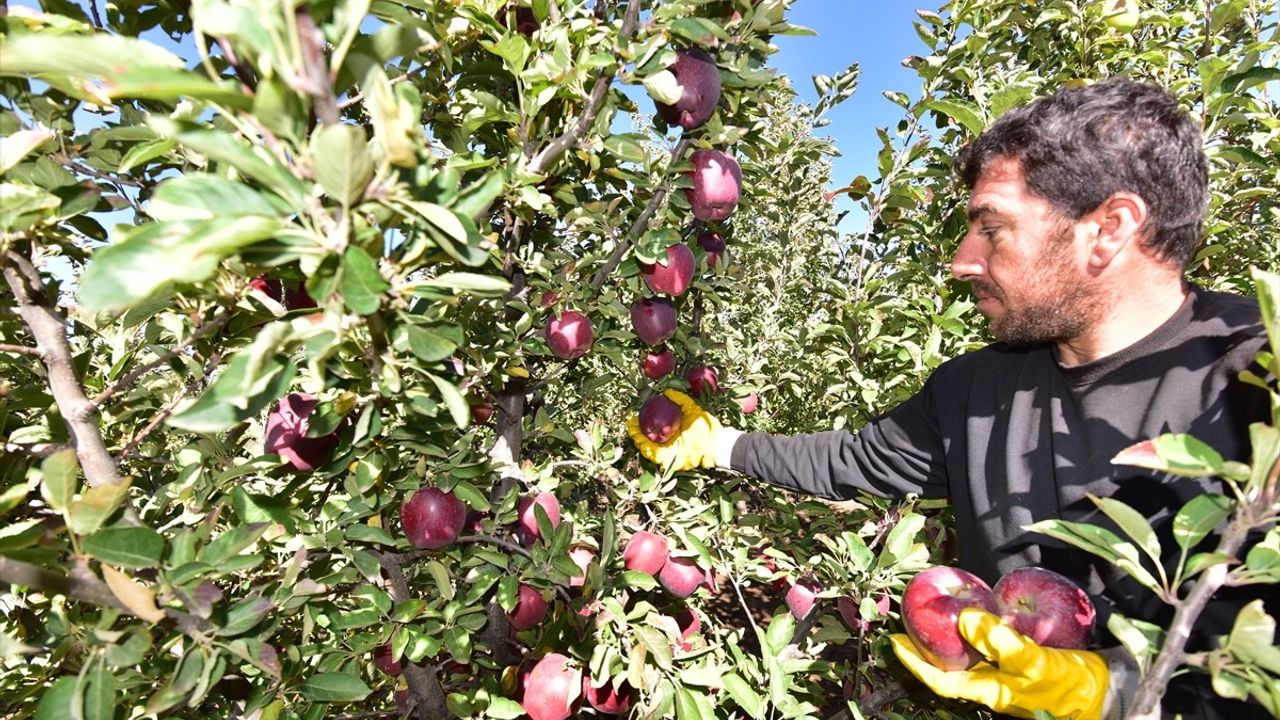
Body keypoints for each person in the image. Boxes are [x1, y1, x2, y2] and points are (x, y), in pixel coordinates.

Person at [627, 77, 1274, 719]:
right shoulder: (976, 390)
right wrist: (719, 444)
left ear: (1109, 229)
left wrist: (1124, 690)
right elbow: (850, 461)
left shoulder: (1256, 377)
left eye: (991, 229)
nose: (962, 261)